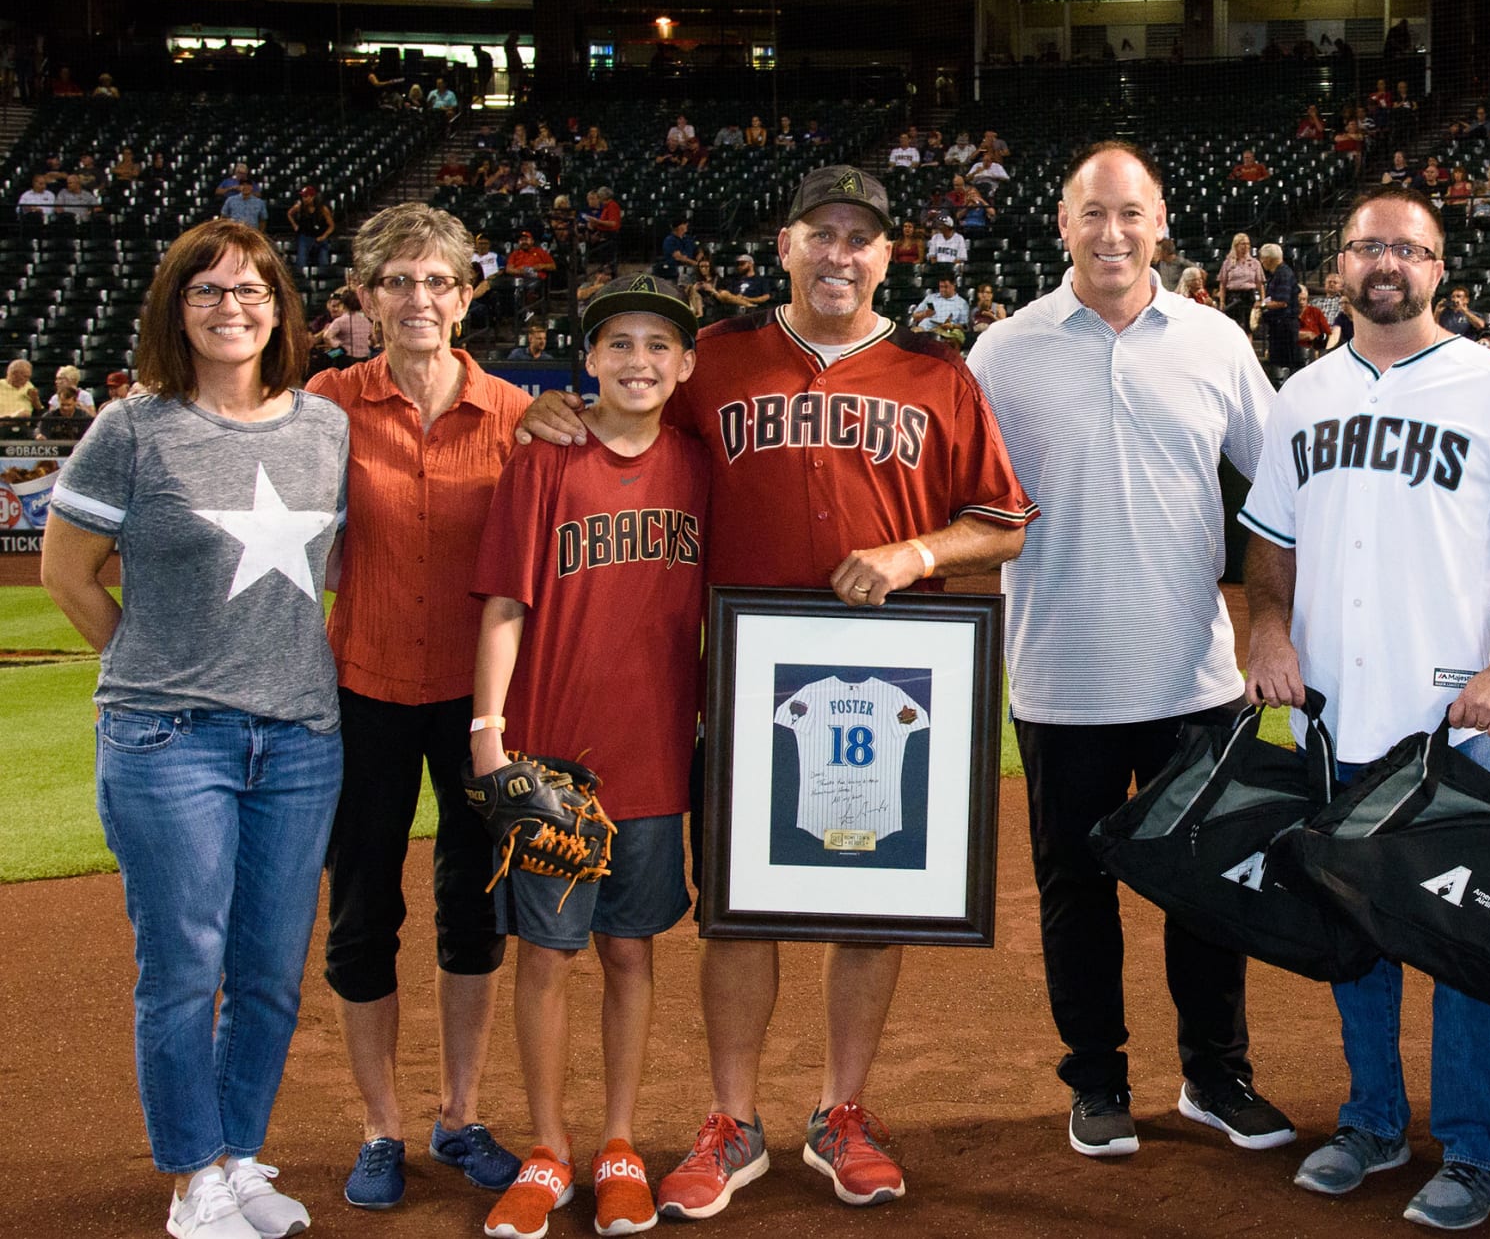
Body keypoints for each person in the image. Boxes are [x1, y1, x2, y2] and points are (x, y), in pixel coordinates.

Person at [516, 165, 1034, 1217]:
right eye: (821, 234)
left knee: (873, 905)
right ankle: (734, 1118)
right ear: (786, 246)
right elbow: (630, 425)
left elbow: (1004, 521)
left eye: (862, 238)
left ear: (890, 257)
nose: (840, 254)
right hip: (744, 683)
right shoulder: (718, 360)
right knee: (740, 910)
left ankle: (843, 1112)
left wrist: (910, 554)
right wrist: (551, 415)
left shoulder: (938, 376)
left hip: (889, 682)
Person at [1241, 185, 1490, 1232]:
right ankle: (1374, 1120)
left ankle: (1481, 1148)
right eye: (1367, 247)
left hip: (1454, 727)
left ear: (1439, 270)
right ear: (1338, 268)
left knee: (1461, 938)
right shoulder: (1302, 394)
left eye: (1410, 248)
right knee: (1356, 931)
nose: (1387, 262)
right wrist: (1265, 624)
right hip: (1337, 714)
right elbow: (1270, 539)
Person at [968, 139, 1288, 1162]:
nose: (1112, 233)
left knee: (1209, 881)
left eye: (1131, 214)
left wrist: (1281, 621)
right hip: (1060, 676)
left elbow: (1284, 487)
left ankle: (1215, 1075)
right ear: (1062, 225)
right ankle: (1098, 1078)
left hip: (1194, 674)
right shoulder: (1002, 352)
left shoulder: (1216, 341)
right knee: (1076, 890)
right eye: (1091, 214)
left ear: (1161, 226)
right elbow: (952, 497)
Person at [40, 217, 347, 1239]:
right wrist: (149, 667)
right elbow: (66, 574)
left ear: (280, 309)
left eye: (252, 291)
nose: (232, 309)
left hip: (302, 738)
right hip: (170, 740)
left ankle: (241, 1159)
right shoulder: (133, 428)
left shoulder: (323, 426)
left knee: (267, 969)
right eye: (208, 291)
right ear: (177, 308)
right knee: (183, 966)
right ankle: (191, 1179)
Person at [307, 204, 535, 1211]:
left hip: (478, 706)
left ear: (467, 294)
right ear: (365, 297)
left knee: (474, 911)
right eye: (396, 282)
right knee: (363, 914)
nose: (417, 300)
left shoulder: (521, 415)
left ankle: (461, 1113)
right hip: (361, 693)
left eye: (437, 281)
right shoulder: (325, 404)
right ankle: (380, 1128)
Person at [472, 277, 708, 1239]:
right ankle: (547, 1147)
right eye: (619, 344)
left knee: (629, 952)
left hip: (654, 756)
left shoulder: (700, 466)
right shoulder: (543, 465)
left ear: (686, 366)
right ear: (589, 362)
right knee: (545, 956)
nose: (639, 361)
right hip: (554, 766)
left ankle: (617, 1142)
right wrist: (487, 732)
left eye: (659, 345)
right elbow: (504, 604)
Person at [1258, 244, 1300, 370]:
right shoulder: (1276, 274)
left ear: (1270, 259)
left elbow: (1282, 302)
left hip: (1285, 327)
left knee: (1284, 365)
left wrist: (1262, 305)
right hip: (1277, 326)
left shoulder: (1283, 274)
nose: (1262, 262)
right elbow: (1272, 297)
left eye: (1263, 258)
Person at [1217, 233, 1263, 334]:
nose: (1246, 247)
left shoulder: (1255, 263)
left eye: (1248, 244)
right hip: (1233, 296)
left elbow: (1260, 283)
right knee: (1233, 327)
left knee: (1248, 328)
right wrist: (1222, 302)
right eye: (1243, 244)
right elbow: (1223, 284)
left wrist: (1262, 300)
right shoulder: (1228, 263)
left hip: (1248, 295)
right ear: (1236, 245)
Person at [287, 186, 336, 276]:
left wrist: (324, 236)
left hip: (319, 238)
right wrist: (295, 225)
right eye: (303, 197)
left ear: (312, 197)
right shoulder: (300, 206)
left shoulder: (322, 209)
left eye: (306, 196)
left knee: (323, 263)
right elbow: (289, 214)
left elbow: (331, 226)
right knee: (301, 262)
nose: (304, 199)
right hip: (305, 237)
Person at [909, 276, 970, 347]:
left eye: (946, 287)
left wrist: (952, 326)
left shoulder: (962, 303)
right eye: (941, 287)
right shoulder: (930, 298)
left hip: (945, 332)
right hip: (924, 329)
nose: (943, 289)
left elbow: (965, 326)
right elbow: (915, 317)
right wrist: (924, 314)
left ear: (953, 285)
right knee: (913, 333)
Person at [655, 218, 702, 285]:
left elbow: (698, 249)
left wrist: (700, 255)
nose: (687, 226)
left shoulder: (688, 238)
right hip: (676, 269)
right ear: (680, 226)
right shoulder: (670, 240)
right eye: (685, 224)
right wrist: (695, 263)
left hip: (691, 268)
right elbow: (679, 257)